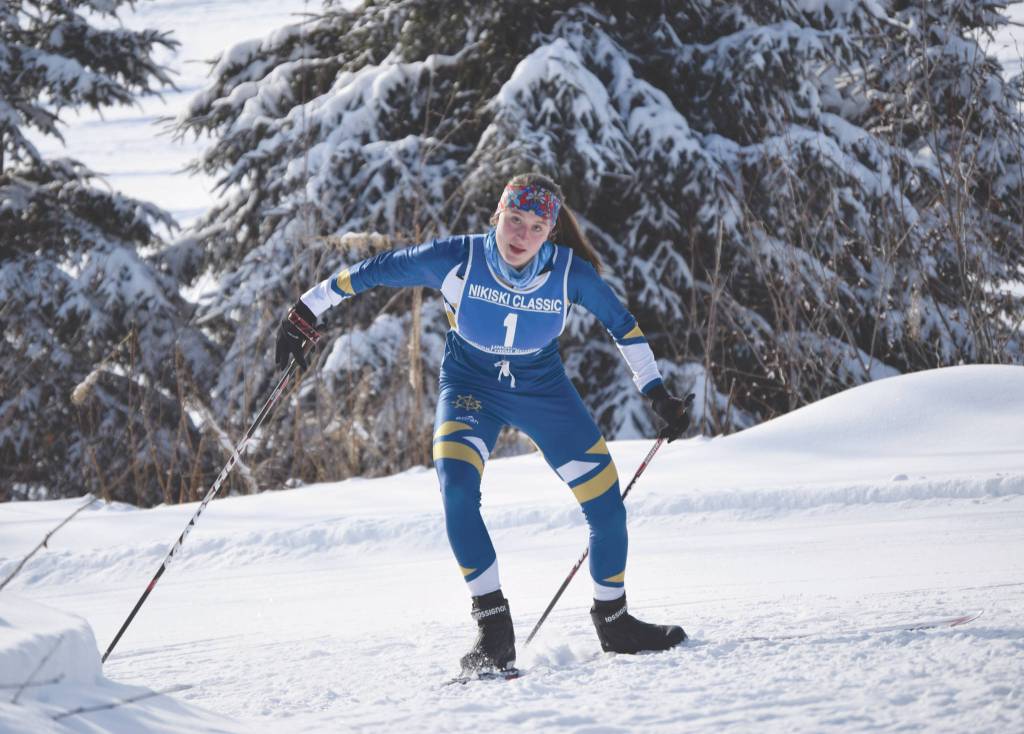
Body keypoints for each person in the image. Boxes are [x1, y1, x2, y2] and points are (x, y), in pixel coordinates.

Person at [275, 172, 694, 674]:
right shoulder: (458, 258)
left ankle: (615, 622)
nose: (522, 235)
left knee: (605, 504)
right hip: (471, 388)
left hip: (543, 391)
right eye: (515, 219)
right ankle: (494, 630)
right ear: (498, 214)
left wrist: (656, 392)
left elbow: (622, 325)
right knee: (456, 488)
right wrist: (307, 308)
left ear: (551, 231)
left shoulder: (570, 273)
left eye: (536, 226)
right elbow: (379, 269)